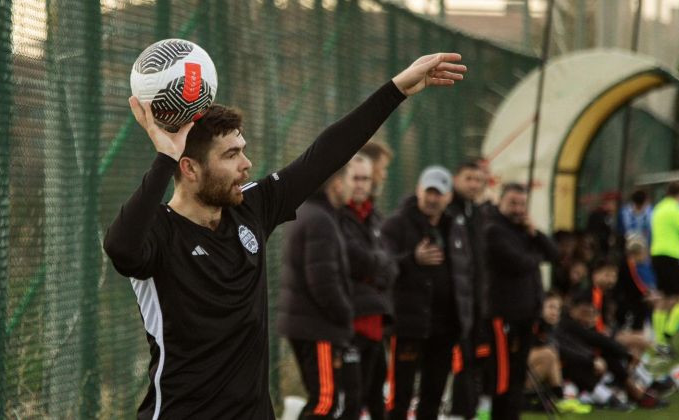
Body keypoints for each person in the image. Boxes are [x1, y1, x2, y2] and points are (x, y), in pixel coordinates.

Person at [102, 53, 467, 419]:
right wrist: (163, 158)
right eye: (231, 155)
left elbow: (325, 153)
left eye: (243, 150)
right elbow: (120, 248)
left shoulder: (251, 208)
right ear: (190, 168)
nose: (246, 164)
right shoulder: (158, 232)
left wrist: (397, 89)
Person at [277, 159, 356, 419]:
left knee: (325, 400)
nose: (352, 187)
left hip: (309, 324)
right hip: (317, 327)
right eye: (349, 180)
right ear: (335, 183)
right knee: (324, 402)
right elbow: (323, 281)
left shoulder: (312, 213)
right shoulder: (320, 219)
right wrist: (345, 314)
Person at [381, 166, 460, 420]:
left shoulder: (454, 227)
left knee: (434, 394)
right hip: (407, 325)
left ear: (448, 197)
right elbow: (383, 264)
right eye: (429, 191)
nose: (433, 198)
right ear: (418, 191)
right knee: (400, 395)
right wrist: (412, 259)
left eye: (439, 193)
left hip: (445, 327)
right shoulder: (396, 224)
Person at [484, 183, 558, 420]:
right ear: (501, 202)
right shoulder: (493, 229)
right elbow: (518, 263)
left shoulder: (524, 230)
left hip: (527, 314)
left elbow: (553, 254)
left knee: (517, 376)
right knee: (503, 377)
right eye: (512, 203)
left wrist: (534, 233)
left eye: (522, 204)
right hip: (503, 315)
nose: (518, 209)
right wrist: (535, 257)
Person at [338, 153, 398, 419]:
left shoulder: (375, 217)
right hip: (349, 324)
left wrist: (377, 266)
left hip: (376, 323)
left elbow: (391, 266)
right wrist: (378, 265)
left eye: (366, 179)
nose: (361, 184)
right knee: (350, 402)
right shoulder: (337, 216)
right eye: (356, 178)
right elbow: (355, 260)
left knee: (376, 402)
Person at [446, 161, 490, 420]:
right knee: (459, 360)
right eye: (468, 178)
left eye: (478, 179)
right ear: (456, 179)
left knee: (474, 359)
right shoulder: (450, 212)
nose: (474, 184)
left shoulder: (478, 214)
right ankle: (458, 411)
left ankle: (468, 409)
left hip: (476, 303)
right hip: (455, 306)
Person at [650, 182, 679, 356]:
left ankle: (660, 341)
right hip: (671, 257)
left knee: (665, 297)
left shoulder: (658, 208)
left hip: (657, 255)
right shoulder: (676, 209)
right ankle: (668, 333)